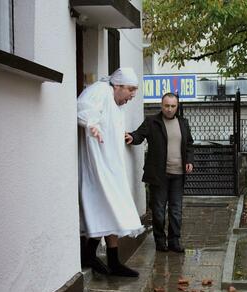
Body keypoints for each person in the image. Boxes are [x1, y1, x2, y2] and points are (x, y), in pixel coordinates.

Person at [77, 67, 144, 277]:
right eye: (131, 90)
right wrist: (91, 125)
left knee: (113, 206)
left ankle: (113, 260)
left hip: (112, 165)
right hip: (97, 163)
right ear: (118, 85)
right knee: (107, 205)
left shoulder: (116, 103)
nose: (133, 95)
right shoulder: (100, 91)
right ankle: (90, 254)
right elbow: (84, 108)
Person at [125, 92, 194, 253]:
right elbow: (139, 135)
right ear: (161, 105)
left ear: (177, 107)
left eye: (173, 106)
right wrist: (130, 137)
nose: (169, 109)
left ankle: (174, 241)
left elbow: (189, 144)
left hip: (178, 175)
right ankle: (160, 241)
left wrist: (190, 160)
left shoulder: (183, 123)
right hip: (159, 175)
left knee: (176, 210)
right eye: (166, 106)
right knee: (158, 210)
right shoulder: (152, 122)